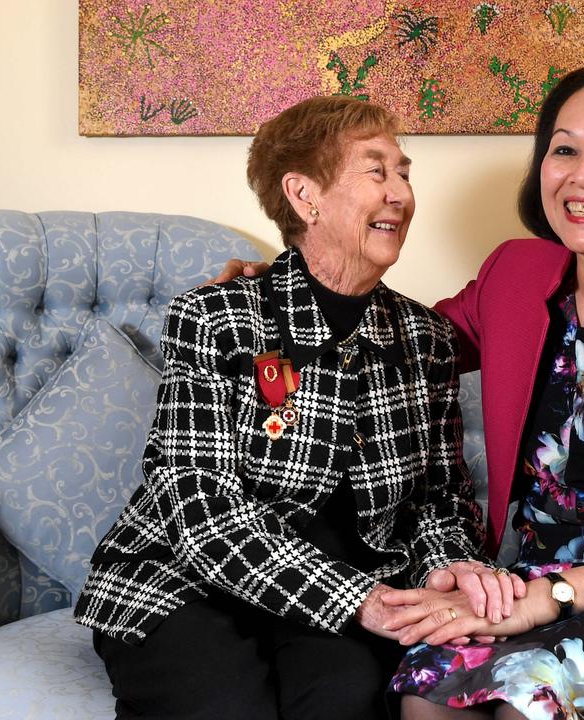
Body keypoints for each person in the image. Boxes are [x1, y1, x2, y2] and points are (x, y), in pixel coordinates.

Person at [216, 61, 584, 719]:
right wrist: (284, 297)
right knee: (426, 688)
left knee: (531, 701)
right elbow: (400, 342)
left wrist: (555, 598)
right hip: (527, 584)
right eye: (564, 150)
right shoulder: (517, 271)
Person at [74, 95, 522, 720]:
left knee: (348, 700)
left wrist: (448, 575)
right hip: (189, 583)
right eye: (376, 171)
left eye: (404, 172)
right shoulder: (216, 317)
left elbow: (439, 499)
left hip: (339, 592)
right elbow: (198, 505)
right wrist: (360, 601)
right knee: (223, 707)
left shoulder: (425, 341)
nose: (400, 193)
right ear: (305, 196)